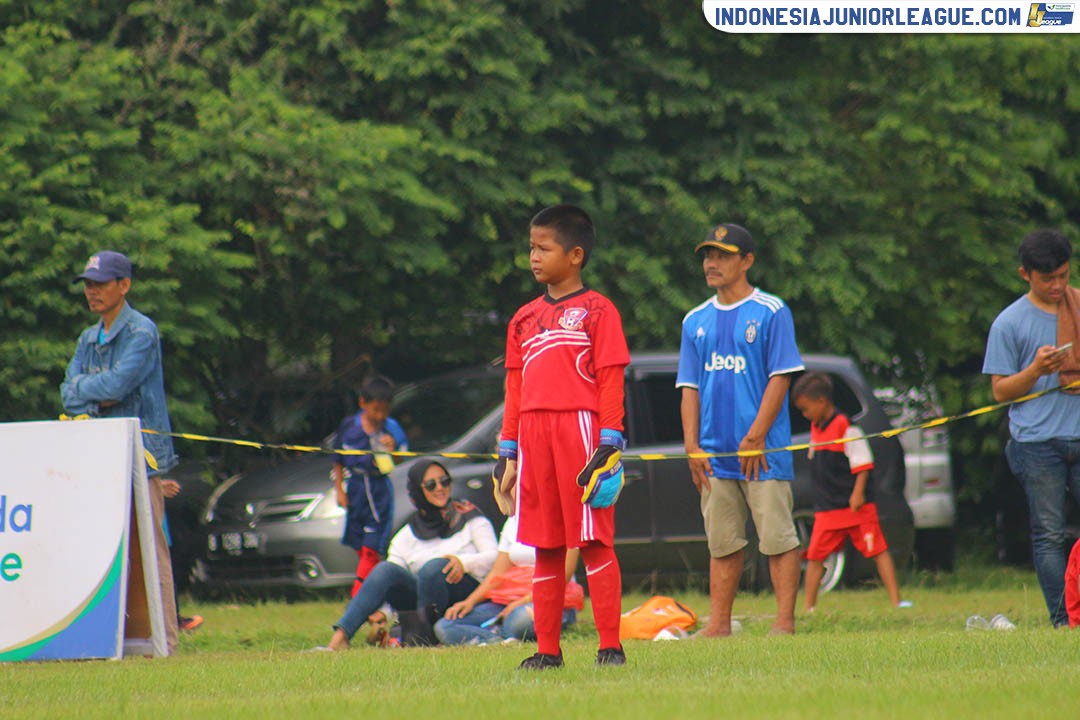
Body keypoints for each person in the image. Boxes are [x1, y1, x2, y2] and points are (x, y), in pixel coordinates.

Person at [493, 204, 631, 670]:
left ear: (575, 254)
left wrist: (609, 446)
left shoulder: (599, 311)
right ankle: (547, 650)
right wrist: (506, 453)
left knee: (593, 541)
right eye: (530, 247)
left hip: (581, 431)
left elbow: (611, 381)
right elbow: (515, 389)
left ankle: (609, 646)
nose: (533, 256)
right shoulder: (523, 319)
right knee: (546, 545)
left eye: (543, 248)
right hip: (533, 436)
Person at [676, 223, 804, 637]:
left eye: (722, 255)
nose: (711, 264)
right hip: (714, 453)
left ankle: (784, 623)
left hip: (762, 450)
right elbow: (689, 388)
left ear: (746, 261)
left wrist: (755, 436)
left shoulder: (771, 311)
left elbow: (781, 377)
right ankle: (719, 626)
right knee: (723, 542)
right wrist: (692, 446)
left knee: (777, 538)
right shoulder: (694, 320)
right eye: (707, 256)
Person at [60, 250, 181, 653]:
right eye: (88, 285)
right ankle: (109, 639)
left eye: (100, 283)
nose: (92, 292)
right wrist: (95, 396)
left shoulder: (142, 332)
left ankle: (166, 642)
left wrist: (89, 393)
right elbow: (66, 393)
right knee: (100, 545)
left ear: (124, 285)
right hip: (98, 457)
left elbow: (115, 387)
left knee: (150, 549)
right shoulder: (86, 337)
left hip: (142, 458)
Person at [982, 228, 1080, 628]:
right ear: (1025, 274)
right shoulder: (1009, 323)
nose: (1057, 286)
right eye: (1047, 279)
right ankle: (1062, 621)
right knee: (1050, 535)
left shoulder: (1078, 307)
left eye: (1063, 275)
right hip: (1037, 443)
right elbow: (1001, 391)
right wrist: (1037, 371)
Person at [320, 459, 497, 650]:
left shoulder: (470, 517)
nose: (440, 488)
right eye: (431, 485)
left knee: (434, 567)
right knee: (385, 569)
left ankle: (423, 639)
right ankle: (340, 638)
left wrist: (463, 563)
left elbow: (497, 558)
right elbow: (389, 582)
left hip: (467, 595)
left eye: (444, 481)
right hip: (423, 603)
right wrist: (384, 615)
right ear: (417, 492)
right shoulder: (407, 534)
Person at [791, 372, 909, 611]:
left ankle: (897, 601)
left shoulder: (846, 427)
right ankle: (809, 607)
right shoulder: (815, 428)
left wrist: (858, 493)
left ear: (822, 401)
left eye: (806, 409)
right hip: (827, 508)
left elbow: (863, 463)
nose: (805, 415)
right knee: (815, 557)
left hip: (855, 507)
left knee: (878, 550)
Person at [433, 514, 584, 646]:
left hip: (548, 598)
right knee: (445, 626)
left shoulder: (564, 517)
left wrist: (520, 602)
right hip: (507, 600)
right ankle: (501, 639)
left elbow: (562, 576)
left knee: (520, 620)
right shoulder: (513, 521)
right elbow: (497, 574)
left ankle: (490, 635)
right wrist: (470, 601)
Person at [331, 375, 409, 597]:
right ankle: (377, 593)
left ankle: (358, 597)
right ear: (362, 403)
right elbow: (336, 459)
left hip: (378, 489)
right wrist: (339, 489)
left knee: (372, 547)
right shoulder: (349, 426)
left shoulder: (392, 428)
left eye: (385, 410)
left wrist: (392, 449)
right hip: (355, 487)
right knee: (359, 544)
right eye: (376, 410)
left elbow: (402, 458)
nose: (380, 416)